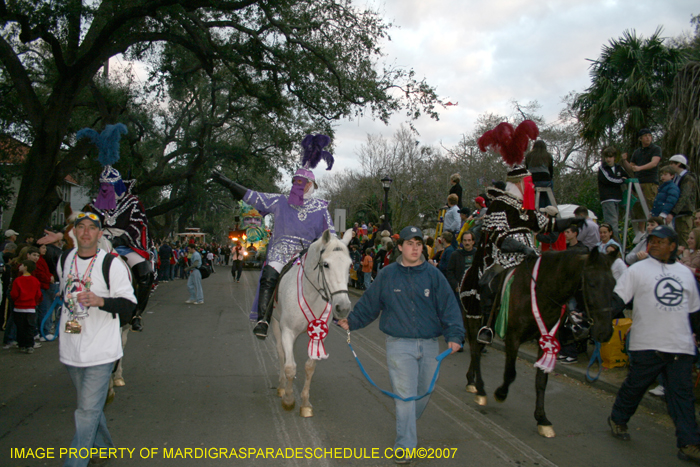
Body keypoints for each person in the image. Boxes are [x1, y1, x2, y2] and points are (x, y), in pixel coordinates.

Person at [338, 226, 464, 461]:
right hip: (399, 345)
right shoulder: (387, 275)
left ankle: (406, 422)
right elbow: (369, 304)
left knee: (424, 393)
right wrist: (351, 322)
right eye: (409, 244)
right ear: (399, 247)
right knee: (405, 396)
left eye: (418, 244)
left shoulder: (433, 275)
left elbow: (449, 306)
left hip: (429, 345)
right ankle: (405, 445)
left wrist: (455, 335)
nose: (415, 248)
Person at [212, 134, 335, 339]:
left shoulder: (321, 208)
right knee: (270, 275)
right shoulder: (279, 201)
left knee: (331, 277)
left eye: (305, 182)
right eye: (297, 181)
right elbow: (253, 196)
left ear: (313, 185)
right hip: (281, 250)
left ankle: (335, 313)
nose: (301, 185)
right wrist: (228, 183)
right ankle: (263, 320)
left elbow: (330, 234)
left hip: (308, 252)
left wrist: (326, 245)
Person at [607, 225, 700, 464]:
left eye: (660, 241)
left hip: (679, 346)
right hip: (646, 344)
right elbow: (617, 300)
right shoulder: (637, 270)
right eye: (652, 240)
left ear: (672, 246)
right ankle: (618, 418)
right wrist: (601, 321)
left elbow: (695, 313)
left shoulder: (686, 274)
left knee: (682, 396)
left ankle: (689, 443)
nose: (654, 244)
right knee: (635, 387)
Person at [57, 212, 137, 467]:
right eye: (81, 227)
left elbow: (128, 306)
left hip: (101, 351)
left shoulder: (111, 264)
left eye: (92, 228)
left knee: (87, 411)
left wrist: (100, 301)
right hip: (71, 349)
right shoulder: (65, 259)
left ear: (99, 233)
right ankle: (103, 449)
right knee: (90, 409)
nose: (86, 232)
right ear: (74, 232)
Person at [78, 124, 153, 332]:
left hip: (125, 244)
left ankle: (136, 313)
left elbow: (139, 224)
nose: (104, 192)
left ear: (116, 186)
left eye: (107, 188)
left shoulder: (133, 202)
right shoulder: (94, 205)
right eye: (102, 188)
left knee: (145, 273)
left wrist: (122, 239)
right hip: (99, 242)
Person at [621, 128, 662, 241]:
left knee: (651, 207)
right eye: (645, 136)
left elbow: (654, 163)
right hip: (638, 183)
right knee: (638, 208)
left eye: (649, 135)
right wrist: (625, 161)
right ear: (640, 138)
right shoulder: (637, 152)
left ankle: (657, 230)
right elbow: (632, 168)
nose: (648, 137)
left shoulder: (655, 149)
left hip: (650, 182)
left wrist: (640, 168)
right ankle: (642, 232)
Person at [10, 260, 42, 354]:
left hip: (19, 307)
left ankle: (22, 345)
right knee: (30, 327)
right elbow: (38, 294)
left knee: (20, 327)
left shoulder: (18, 280)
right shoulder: (35, 280)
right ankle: (30, 345)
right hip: (31, 308)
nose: (20, 266)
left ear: (26, 267)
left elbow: (14, 294)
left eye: (22, 265)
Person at [668, 155, 698, 248]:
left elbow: (684, 197)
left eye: (672, 163)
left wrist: (673, 212)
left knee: (684, 240)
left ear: (679, 164)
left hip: (684, 213)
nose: (670, 165)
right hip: (677, 213)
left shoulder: (688, 178)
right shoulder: (676, 177)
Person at [597, 146, 627, 239]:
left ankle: (615, 244)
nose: (608, 159)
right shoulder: (602, 168)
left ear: (614, 157)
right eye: (606, 157)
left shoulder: (619, 167)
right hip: (607, 198)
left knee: (616, 222)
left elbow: (627, 177)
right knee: (612, 223)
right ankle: (614, 246)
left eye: (610, 157)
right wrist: (621, 180)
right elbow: (609, 180)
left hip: (617, 198)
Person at [446, 231, 476, 305]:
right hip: (460, 290)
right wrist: (456, 286)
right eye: (465, 240)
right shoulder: (455, 255)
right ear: (462, 242)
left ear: (473, 242)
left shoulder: (478, 254)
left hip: (474, 290)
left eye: (469, 240)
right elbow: (449, 272)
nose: (467, 243)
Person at [524, 140, 554, 208]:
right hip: (545, 180)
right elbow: (551, 170)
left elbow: (527, 168)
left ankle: (536, 209)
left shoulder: (529, 155)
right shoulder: (548, 155)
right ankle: (548, 209)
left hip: (532, 180)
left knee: (537, 195)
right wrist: (550, 179)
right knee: (547, 194)